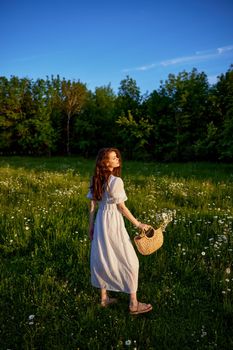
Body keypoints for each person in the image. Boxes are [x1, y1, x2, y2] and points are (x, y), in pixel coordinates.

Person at [87, 147, 153, 315]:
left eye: (117, 157)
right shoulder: (116, 181)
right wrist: (139, 224)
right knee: (130, 260)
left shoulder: (96, 178)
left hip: (101, 222)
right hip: (113, 223)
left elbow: (93, 205)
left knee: (102, 256)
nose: (117, 159)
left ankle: (104, 298)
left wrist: (91, 226)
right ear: (105, 162)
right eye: (113, 157)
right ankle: (133, 304)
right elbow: (121, 208)